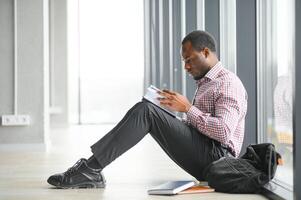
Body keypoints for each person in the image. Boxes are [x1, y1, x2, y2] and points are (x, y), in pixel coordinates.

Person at [47, 30, 248, 189]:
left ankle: (90, 168)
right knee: (149, 109)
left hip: (219, 160)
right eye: (184, 61)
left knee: (146, 111)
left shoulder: (227, 83)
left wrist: (187, 108)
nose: (186, 67)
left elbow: (223, 131)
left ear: (205, 52)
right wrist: (174, 117)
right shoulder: (206, 83)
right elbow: (203, 127)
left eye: (189, 60)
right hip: (208, 155)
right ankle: (91, 168)